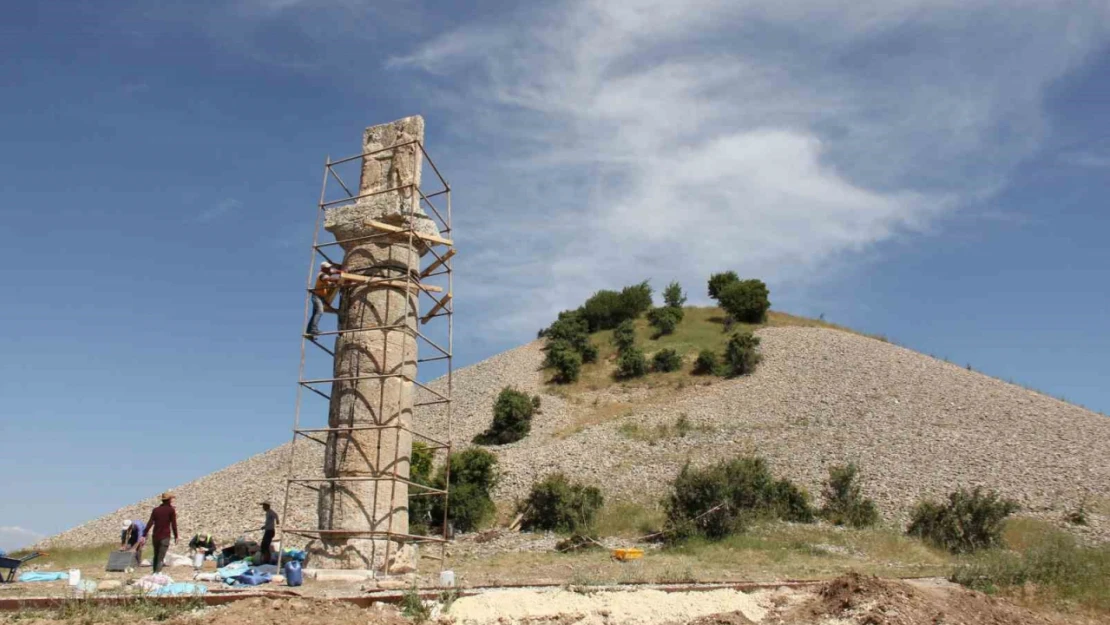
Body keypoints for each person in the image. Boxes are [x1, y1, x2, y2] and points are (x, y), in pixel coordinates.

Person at [143, 492, 179, 574]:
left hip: (155, 536)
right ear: (169, 500)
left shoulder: (155, 510)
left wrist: (144, 534)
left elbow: (150, 522)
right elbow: (173, 524)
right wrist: (176, 536)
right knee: (161, 557)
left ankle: (154, 572)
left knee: (156, 555)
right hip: (165, 536)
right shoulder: (171, 510)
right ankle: (157, 574)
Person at [305, 262, 343, 337]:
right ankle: (313, 330)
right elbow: (328, 278)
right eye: (327, 268)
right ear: (323, 268)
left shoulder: (326, 272)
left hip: (320, 297)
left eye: (329, 268)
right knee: (320, 311)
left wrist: (340, 272)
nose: (329, 269)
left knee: (314, 314)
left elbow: (333, 272)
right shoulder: (322, 275)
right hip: (317, 297)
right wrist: (338, 279)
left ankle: (309, 332)